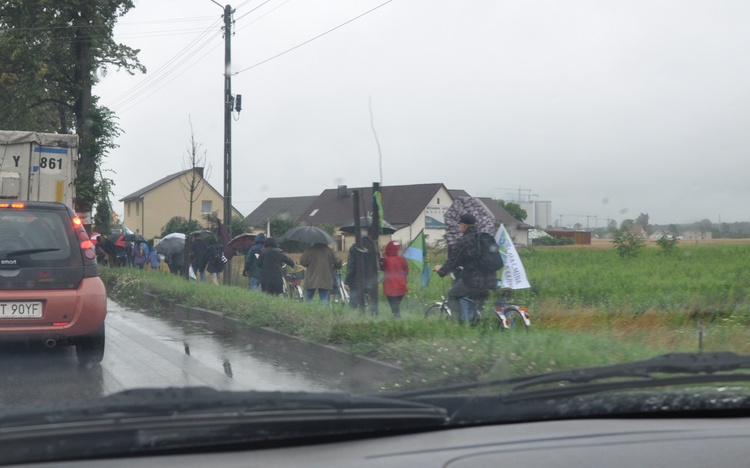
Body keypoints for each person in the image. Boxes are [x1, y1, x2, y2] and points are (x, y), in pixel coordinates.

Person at [434, 213, 498, 322]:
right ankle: (476, 325)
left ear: (464, 225)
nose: (459, 228)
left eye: (460, 225)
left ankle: (458, 324)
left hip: (474, 281)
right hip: (491, 280)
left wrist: (441, 271)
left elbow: (453, 261)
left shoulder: (464, 240)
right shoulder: (483, 238)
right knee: (477, 307)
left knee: (453, 294)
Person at [344, 234, 380, 314]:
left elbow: (351, 266)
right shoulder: (374, 248)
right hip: (371, 280)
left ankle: (354, 319)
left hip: (356, 281)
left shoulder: (354, 248)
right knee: (370, 301)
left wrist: (347, 281)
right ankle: (371, 316)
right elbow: (378, 264)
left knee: (353, 304)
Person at [380, 240, 409, 318]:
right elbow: (407, 271)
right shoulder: (402, 259)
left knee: (394, 308)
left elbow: (382, 268)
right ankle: (396, 320)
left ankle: (396, 321)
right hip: (401, 286)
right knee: (396, 305)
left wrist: (382, 258)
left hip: (390, 287)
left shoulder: (386, 260)